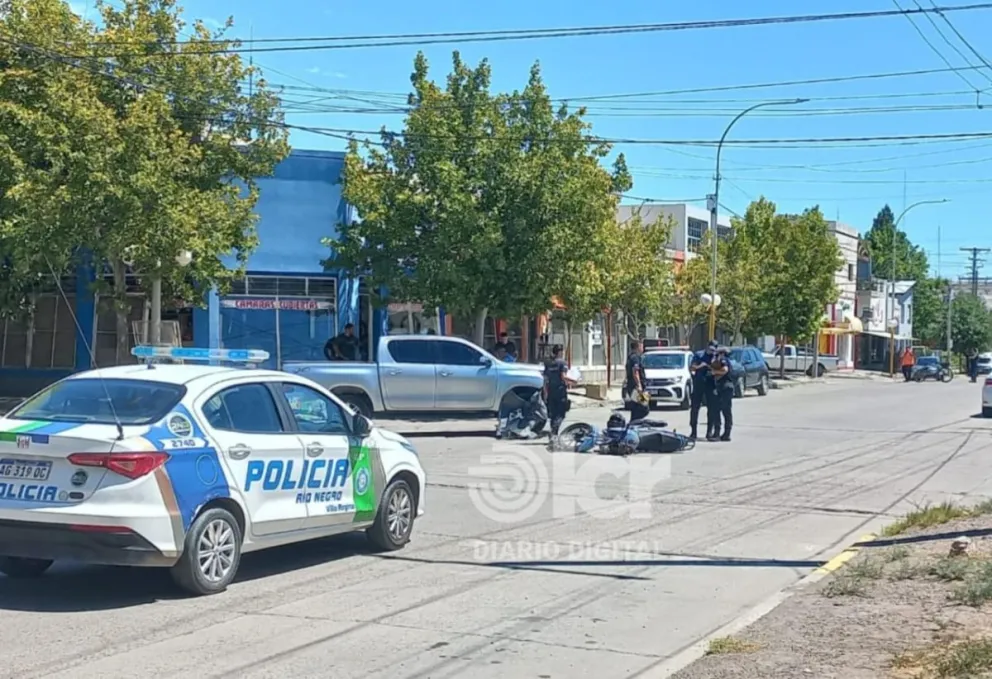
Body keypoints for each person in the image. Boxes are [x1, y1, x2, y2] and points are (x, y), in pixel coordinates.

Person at [544, 344, 573, 447]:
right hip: (560, 392)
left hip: (551, 391)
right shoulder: (562, 363)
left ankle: (553, 433)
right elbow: (563, 376)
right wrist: (573, 381)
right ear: (560, 352)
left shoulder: (549, 364)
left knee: (553, 414)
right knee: (561, 414)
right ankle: (554, 433)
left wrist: (545, 393)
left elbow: (545, 379)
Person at [688, 341, 717, 440]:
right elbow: (691, 367)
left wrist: (711, 365)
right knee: (695, 408)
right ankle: (693, 432)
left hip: (711, 384)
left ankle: (709, 432)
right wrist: (702, 365)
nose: (711, 351)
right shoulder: (699, 355)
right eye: (710, 349)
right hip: (699, 383)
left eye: (713, 349)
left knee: (712, 409)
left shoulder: (716, 356)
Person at [708, 347, 734, 442]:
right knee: (720, 411)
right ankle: (722, 433)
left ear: (722, 354)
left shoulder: (724, 360)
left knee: (724, 411)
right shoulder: (722, 360)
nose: (716, 355)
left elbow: (725, 370)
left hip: (725, 387)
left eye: (717, 354)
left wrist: (714, 372)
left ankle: (722, 433)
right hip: (723, 387)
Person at [624, 339, 650, 422]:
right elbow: (635, 371)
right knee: (644, 408)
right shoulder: (635, 358)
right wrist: (639, 385)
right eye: (642, 346)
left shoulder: (630, 357)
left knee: (636, 407)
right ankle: (634, 423)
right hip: (636, 387)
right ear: (638, 347)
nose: (643, 348)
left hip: (632, 386)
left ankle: (634, 423)